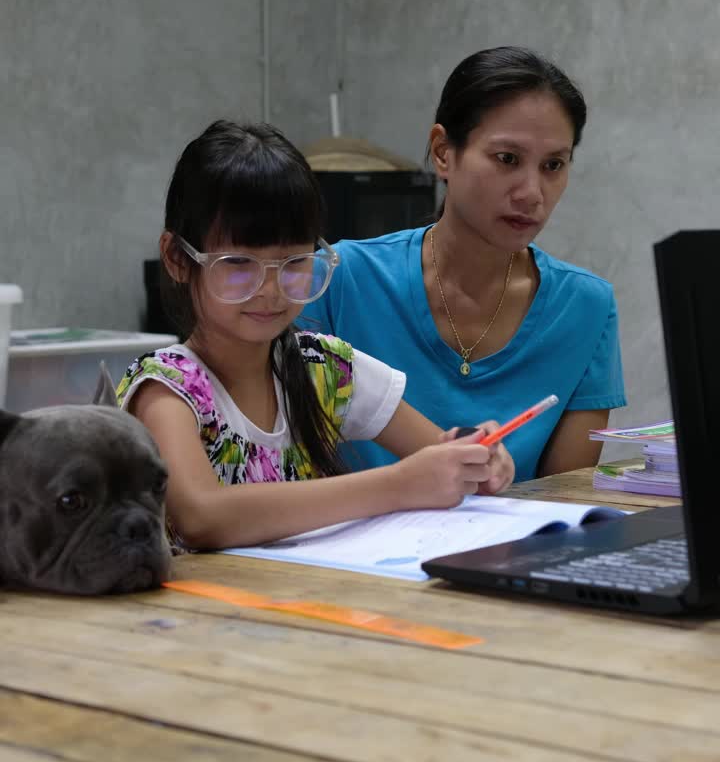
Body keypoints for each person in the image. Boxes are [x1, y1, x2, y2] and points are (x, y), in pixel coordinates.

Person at [117, 121, 514, 552]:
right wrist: (398, 485)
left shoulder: (325, 369)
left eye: (292, 262)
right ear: (177, 259)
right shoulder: (167, 389)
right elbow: (203, 515)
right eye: (238, 263)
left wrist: (478, 460)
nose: (270, 290)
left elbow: (439, 450)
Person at [300, 46, 626, 482]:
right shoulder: (340, 279)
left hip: (511, 547)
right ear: (442, 153)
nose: (532, 192)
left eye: (553, 165)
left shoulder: (586, 306)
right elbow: (292, 462)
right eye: (507, 159)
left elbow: (565, 497)